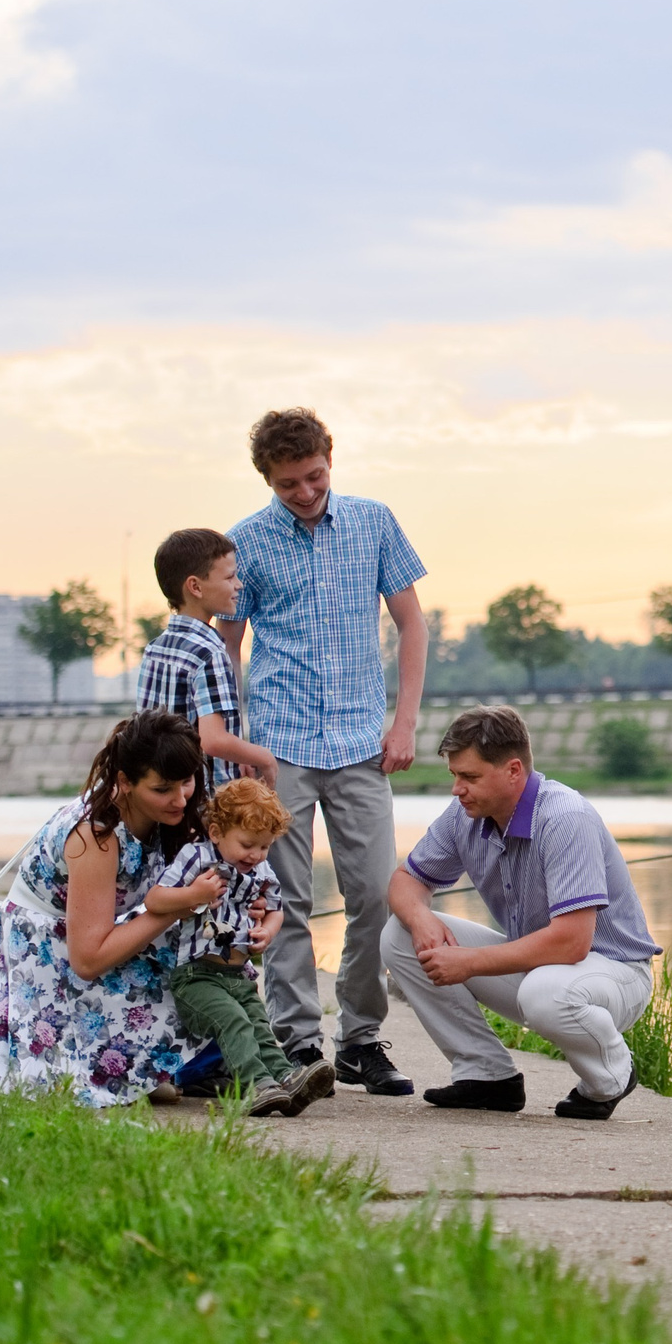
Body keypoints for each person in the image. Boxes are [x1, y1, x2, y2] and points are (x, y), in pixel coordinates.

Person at [219, 407, 430, 1098]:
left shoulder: (374, 522)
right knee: (282, 898)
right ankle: (298, 1040)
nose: (305, 493)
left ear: (329, 460)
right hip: (277, 747)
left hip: (362, 743)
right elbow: (228, 646)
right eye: (289, 485)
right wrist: (236, 740)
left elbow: (411, 623)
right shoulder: (245, 542)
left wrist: (404, 724)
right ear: (267, 480)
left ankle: (361, 1040)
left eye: (314, 477)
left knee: (373, 895)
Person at [0, 710, 239, 1108]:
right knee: (180, 961)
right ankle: (140, 1068)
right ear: (125, 782)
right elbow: (87, 959)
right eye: (162, 789)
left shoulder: (161, 813)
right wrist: (179, 905)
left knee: (218, 955)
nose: (180, 799)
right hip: (47, 955)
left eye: (187, 782)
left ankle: (157, 1068)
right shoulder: (95, 835)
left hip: (92, 934)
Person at [383, 705, 662, 1120]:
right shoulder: (464, 815)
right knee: (399, 934)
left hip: (615, 975)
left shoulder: (565, 817)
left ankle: (610, 1078)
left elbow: (572, 943)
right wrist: (422, 919)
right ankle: (486, 1075)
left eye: (470, 777)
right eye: (454, 775)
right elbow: (405, 880)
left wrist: (468, 962)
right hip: (541, 969)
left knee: (544, 993)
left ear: (513, 770)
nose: (457, 789)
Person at [144, 777, 317, 1115]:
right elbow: (155, 899)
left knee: (260, 1026)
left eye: (265, 847)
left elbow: (276, 908)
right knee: (235, 1021)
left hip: (238, 976)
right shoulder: (197, 858)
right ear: (216, 833)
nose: (256, 855)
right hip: (197, 976)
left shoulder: (261, 869)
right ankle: (255, 1086)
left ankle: (286, 1080)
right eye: (248, 844)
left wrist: (267, 931)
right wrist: (194, 895)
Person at [138, 528, 277, 788]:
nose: (239, 584)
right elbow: (213, 740)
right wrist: (264, 758)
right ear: (195, 587)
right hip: (206, 794)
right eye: (230, 577)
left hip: (168, 793)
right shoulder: (210, 653)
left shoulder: (155, 649)